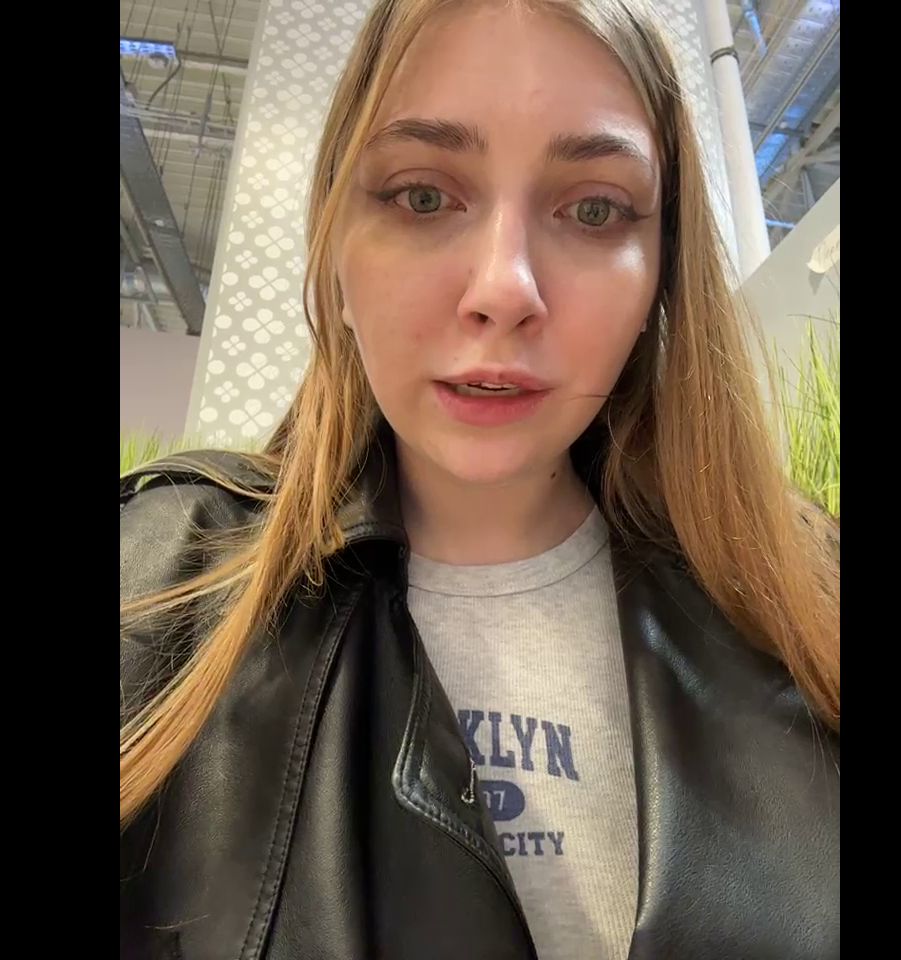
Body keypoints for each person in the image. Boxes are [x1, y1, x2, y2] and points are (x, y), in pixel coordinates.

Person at [120, 1, 840, 957]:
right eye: (423, 196)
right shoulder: (152, 586)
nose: (504, 289)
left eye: (594, 209)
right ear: (335, 248)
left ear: (661, 276)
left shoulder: (810, 602)